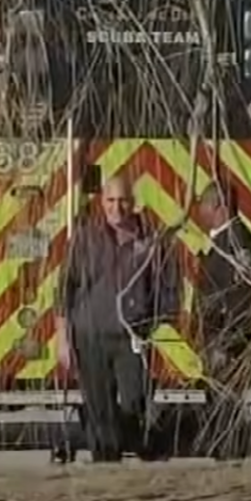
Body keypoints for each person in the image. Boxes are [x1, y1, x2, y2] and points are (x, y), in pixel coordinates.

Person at [58, 175, 178, 463]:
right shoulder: (85, 238)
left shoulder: (151, 239)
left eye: (123, 200)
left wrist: (152, 323)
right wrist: (62, 339)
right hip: (91, 336)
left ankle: (133, 440)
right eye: (111, 200)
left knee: (134, 399)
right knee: (100, 406)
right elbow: (65, 289)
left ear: (133, 202)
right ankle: (106, 465)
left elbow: (169, 288)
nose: (117, 207)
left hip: (131, 339)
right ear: (102, 202)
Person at [191, 181, 251, 458]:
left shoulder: (236, 243)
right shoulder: (224, 240)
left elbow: (241, 297)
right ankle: (225, 449)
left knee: (226, 399)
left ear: (217, 207)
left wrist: (228, 341)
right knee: (219, 397)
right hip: (218, 336)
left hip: (228, 339)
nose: (198, 211)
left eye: (202, 204)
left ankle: (230, 450)